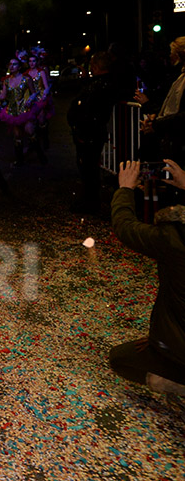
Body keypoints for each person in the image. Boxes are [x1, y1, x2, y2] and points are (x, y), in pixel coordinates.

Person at [109, 160, 185, 395]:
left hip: (180, 346)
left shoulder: (174, 237)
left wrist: (125, 189)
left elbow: (125, 227)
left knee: (121, 360)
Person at [67, 52, 129, 215]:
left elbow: (90, 109)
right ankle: (89, 200)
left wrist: (81, 127)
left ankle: (91, 202)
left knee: (89, 168)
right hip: (87, 130)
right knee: (87, 167)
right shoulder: (99, 83)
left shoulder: (103, 85)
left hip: (90, 131)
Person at [141, 37, 185, 165]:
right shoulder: (179, 77)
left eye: (172, 52)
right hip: (172, 137)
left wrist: (156, 123)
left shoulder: (179, 77)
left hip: (178, 138)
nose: (170, 55)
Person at [0, 56, 43, 166]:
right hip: (13, 112)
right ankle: (20, 160)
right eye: (10, 64)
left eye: (14, 64)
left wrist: (31, 99)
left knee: (29, 131)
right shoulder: (6, 81)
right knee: (17, 135)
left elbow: (34, 93)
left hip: (25, 111)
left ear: (19, 67)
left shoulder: (26, 79)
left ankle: (41, 156)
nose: (11, 66)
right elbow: (3, 96)